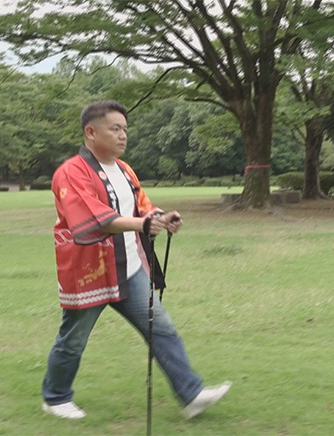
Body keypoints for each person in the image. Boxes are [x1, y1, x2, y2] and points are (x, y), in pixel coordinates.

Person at [41, 100, 231, 420]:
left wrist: (160, 217)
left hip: (128, 268)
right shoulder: (71, 172)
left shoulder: (125, 169)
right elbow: (94, 219)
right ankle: (56, 397)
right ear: (91, 132)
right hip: (88, 271)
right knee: (73, 339)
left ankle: (191, 394)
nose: (123, 136)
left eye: (125, 130)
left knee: (162, 328)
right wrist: (142, 223)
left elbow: (141, 207)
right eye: (115, 129)